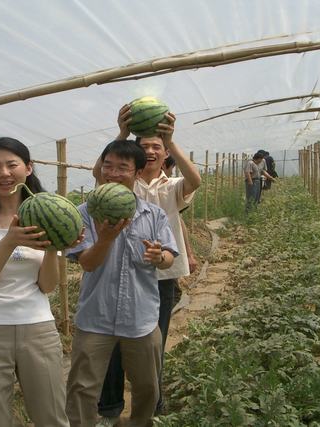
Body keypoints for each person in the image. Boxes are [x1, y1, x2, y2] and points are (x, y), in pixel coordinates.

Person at [93, 104, 201, 422]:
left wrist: (172, 140)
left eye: (157, 147)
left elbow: (194, 180)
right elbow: (101, 173)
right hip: (123, 272)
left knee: (155, 342)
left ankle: (152, 403)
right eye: (145, 147)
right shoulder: (126, 181)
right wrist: (123, 134)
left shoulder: (172, 186)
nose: (151, 151)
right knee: (113, 341)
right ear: (135, 157)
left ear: (165, 153)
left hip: (162, 273)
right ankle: (110, 406)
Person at [0, 137, 75, 427]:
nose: (4, 173)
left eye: (12, 165)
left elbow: (47, 286)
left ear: (28, 168)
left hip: (38, 327)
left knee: (52, 416)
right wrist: (9, 240)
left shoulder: (48, 216)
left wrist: (52, 246)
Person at [65, 139, 178, 427]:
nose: (113, 173)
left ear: (138, 172)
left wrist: (159, 256)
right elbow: (87, 263)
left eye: (122, 167)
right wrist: (105, 239)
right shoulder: (83, 214)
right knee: (82, 389)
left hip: (141, 317)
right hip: (95, 317)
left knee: (148, 387)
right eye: (108, 166)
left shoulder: (153, 214)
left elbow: (168, 257)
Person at [161, 155, 198, 305]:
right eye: (172, 168)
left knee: (170, 296)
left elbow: (179, 222)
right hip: (152, 263)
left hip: (166, 260)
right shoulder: (135, 186)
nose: (171, 173)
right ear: (164, 165)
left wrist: (189, 254)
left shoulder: (171, 186)